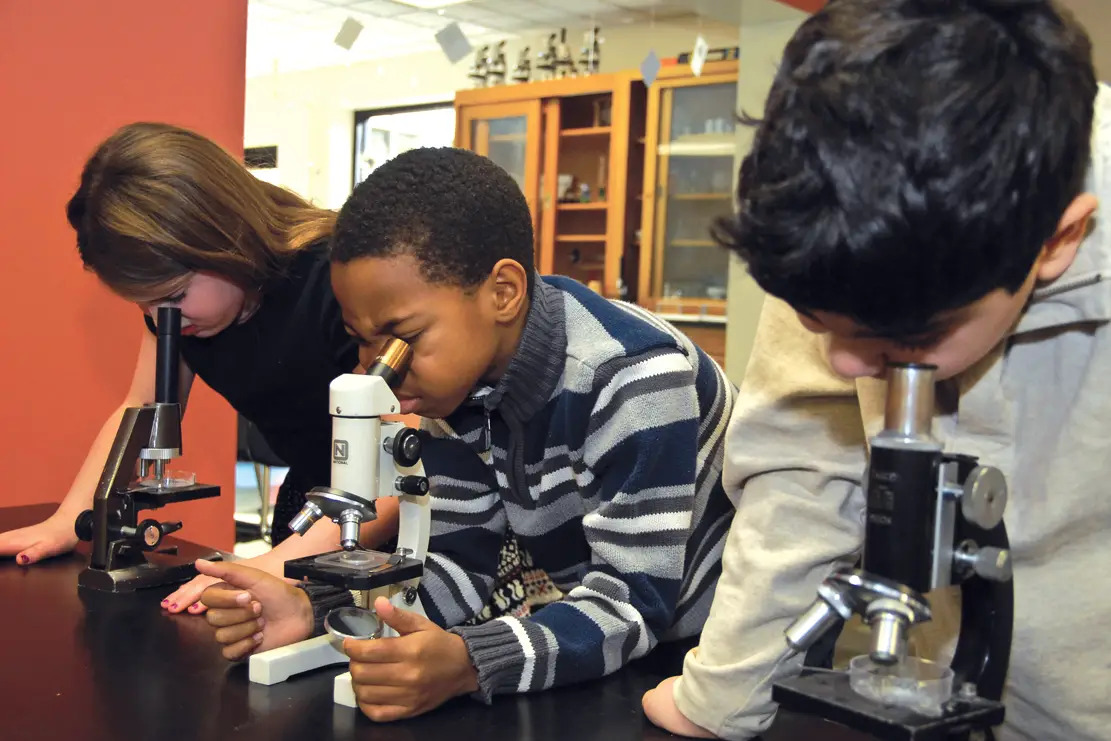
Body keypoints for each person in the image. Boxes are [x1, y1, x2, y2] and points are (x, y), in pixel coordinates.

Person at [641, 1, 1110, 739]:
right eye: (817, 322)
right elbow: (802, 479)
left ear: (1058, 241)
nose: (841, 364)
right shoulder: (844, 215)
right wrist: (722, 697)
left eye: (900, 340)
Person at [195, 146, 737, 722]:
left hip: (722, 653)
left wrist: (470, 661)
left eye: (401, 337)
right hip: (622, 643)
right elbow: (459, 562)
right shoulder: (459, 389)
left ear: (503, 292)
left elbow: (634, 602)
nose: (382, 370)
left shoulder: (631, 377)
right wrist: (316, 607)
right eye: (361, 340)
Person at [0, 122, 398, 613]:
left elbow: (396, 473)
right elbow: (141, 408)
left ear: (224, 239)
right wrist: (75, 518)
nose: (159, 319)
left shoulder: (337, 280)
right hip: (312, 509)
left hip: (405, 516)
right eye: (144, 305)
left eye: (172, 296)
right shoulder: (179, 316)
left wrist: (273, 566)